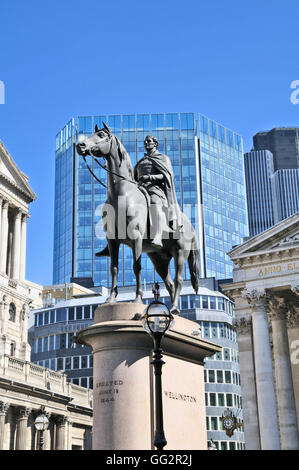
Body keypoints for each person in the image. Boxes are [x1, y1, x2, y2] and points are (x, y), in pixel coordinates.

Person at [134, 135, 181, 247]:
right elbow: (134, 177)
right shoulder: (141, 161)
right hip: (139, 189)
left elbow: (168, 175)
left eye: (149, 141)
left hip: (155, 189)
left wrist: (149, 177)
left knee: (154, 203)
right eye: (145, 141)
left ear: (155, 144)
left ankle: (158, 235)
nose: (146, 142)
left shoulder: (163, 158)